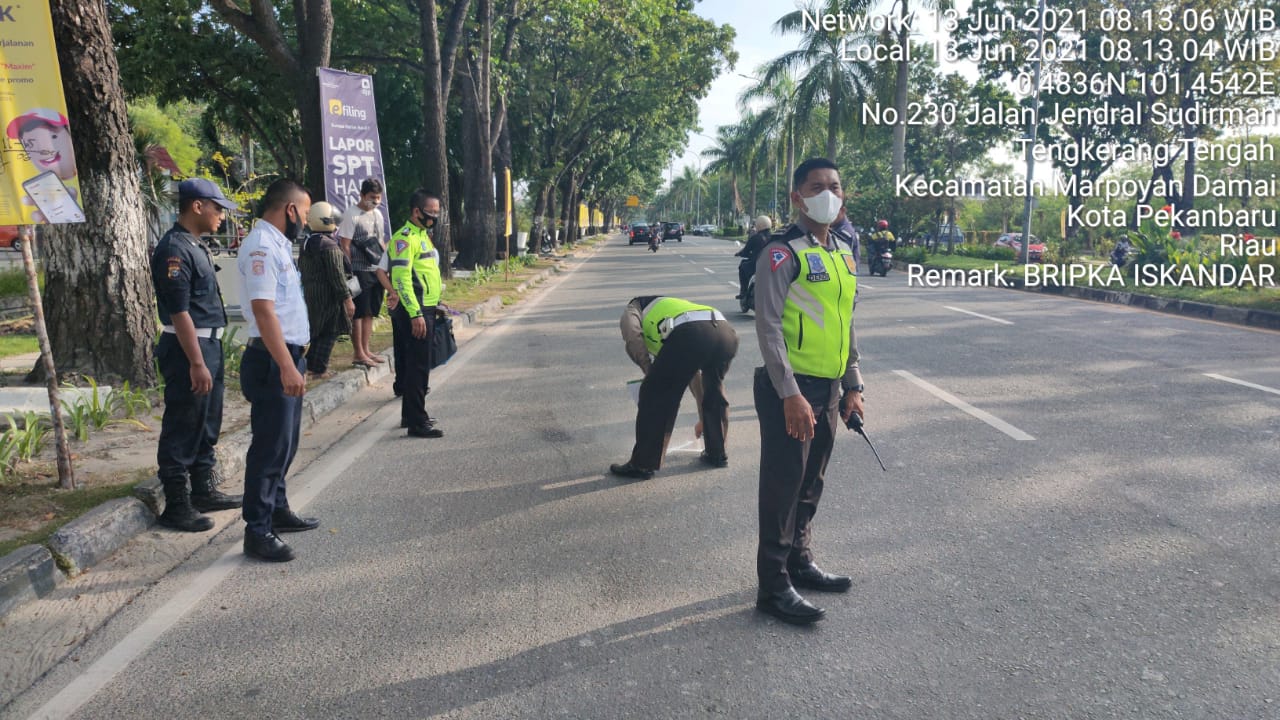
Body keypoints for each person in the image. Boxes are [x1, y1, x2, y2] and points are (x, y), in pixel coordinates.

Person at [753, 158, 865, 625]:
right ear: (797, 197)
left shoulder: (842, 251)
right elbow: (769, 327)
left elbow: (845, 323)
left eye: (835, 186)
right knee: (783, 489)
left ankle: (799, 561)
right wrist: (790, 395)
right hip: (792, 390)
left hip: (831, 389)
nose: (829, 193)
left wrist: (853, 383)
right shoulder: (781, 253)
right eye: (817, 186)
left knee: (811, 483)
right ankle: (773, 586)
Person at [149, 178, 243, 532]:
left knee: (207, 421)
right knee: (183, 425)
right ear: (197, 206)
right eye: (217, 208)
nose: (222, 215)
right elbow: (179, 311)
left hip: (209, 344)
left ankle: (203, 490)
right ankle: (176, 504)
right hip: (189, 348)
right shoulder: (174, 248)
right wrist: (197, 362)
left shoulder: (195, 244)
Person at [237, 179, 321, 562]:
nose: (306, 220)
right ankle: (257, 531)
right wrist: (286, 365)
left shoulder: (277, 245)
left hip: (287, 356)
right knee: (270, 448)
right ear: (290, 210)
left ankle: (278, 510)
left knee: (286, 444)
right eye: (304, 212)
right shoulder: (261, 247)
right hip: (273, 360)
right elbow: (263, 310)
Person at [609, 296, 738, 480]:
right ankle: (717, 453)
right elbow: (693, 374)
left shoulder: (632, 308)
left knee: (655, 393)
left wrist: (649, 372)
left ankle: (643, 464)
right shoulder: (673, 309)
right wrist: (703, 418)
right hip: (725, 333)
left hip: (692, 334)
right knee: (714, 389)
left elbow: (632, 336)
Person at [382, 189, 445, 438]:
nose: (435, 217)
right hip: (414, 310)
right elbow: (401, 279)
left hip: (425, 306)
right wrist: (416, 314)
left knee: (414, 366)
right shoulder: (404, 239)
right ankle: (418, 421)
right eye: (431, 212)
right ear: (416, 211)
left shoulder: (423, 236)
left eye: (438, 212)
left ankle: (410, 415)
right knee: (418, 368)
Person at [299, 202, 356, 379]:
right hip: (328, 295)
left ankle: (311, 365)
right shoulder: (328, 245)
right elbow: (337, 275)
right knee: (330, 331)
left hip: (311, 293)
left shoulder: (308, 242)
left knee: (317, 331)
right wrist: (347, 299)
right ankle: (319, 368)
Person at [338, 178, 387, 368]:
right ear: (362, 195)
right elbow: (345, 245)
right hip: (358, 270)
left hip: (375, 270)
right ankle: (358, 352)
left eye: (378, 197)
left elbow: (380, 242)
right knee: (358, 313)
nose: (375, 201)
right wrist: (349, 271)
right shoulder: (352, 215)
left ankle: (366, 350)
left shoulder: (378, 215)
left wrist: (384, 266)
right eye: (371, 197)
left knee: (370, 313)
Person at [734, 215, 773, 297]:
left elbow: (745, 251)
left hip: (756, 264)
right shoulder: (774, 237)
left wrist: (739, 253)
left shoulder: (755, 237)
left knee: (742, 266)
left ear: (759, 225)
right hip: (772, 265)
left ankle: (743, 292)